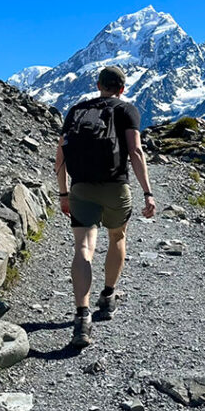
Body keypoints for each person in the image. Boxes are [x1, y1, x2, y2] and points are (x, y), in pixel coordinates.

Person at [56, 66, 157, 348]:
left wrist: (64, 192)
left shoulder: (76, 111)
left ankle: (81, 317)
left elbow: (60, 154)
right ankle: (108, 295)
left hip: (81, 187)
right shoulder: (127, 110)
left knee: (83, 249)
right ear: (122, 88)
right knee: (117, 237)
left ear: (98, 84)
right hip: (116, 187)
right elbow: (135, 151)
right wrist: (148, 192)